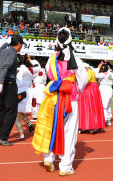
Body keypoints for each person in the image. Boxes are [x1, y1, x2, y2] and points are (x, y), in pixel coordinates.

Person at [32, 27, 88, 176]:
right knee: (69, 133)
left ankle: (48, 158)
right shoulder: (76, 60)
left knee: (51, 128)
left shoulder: (51, 59)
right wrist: (77, 88)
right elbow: (83, 81)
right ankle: (65, 166)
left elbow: (49, 74)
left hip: (53, 97)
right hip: (70, 98)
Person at [0, 35, 24, 146]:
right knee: (11, 111)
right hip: (8, 83)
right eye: (22, 45)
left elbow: (0, 49)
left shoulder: (4, 51)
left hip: (0, 82)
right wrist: (1, 83)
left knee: (1, 109)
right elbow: (6, 67)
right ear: (19, 44)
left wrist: (7, 42)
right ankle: (2, 136)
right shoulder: (13, 53)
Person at [78, 63, 105, 133]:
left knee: (92, 107)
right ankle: (85, 126)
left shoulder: (90, 72)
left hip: (91, 91)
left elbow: (86, 80)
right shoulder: (86, 72)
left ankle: (93, 126)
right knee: (85, 108)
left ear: (87, 68)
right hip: (86, 90)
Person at [14, 54, 35, 140]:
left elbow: (16, 82)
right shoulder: (29, 69)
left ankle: (21, 133)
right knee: (19, 112)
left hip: (20, 92)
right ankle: (29, 123)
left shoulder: (17, 70)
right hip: (28, 93)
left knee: (16, 114)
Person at [94, 61, 113, 126]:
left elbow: (96, 75)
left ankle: (105, 119)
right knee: (107, 104)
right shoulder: (111, 72)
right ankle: (108, 118)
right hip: (109, 88)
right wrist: (105, 64)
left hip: (104, 88)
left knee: (103, 105)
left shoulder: (103, 74)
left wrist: (98, 68)